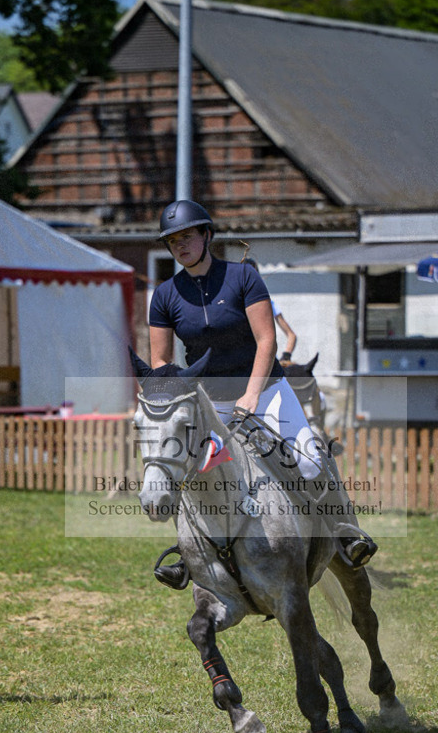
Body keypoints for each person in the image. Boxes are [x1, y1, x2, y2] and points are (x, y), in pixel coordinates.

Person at [147, 199, 377, 588]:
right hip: (207, 401)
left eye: (187, 236)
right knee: (188, 471)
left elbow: (267, 339)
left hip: (267, 390)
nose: (180, 246)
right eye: (172, 241)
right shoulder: (165, 294)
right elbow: (160, 363)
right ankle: (190, 555)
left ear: (206, 235)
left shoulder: (243, 278)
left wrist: (252, 394)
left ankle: (344, 533)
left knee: (308, 458)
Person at [243, 257, 297, 361]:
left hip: (265, 361)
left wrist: (286, 356)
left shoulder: (267, 304)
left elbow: (291, 335)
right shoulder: (232, 303)